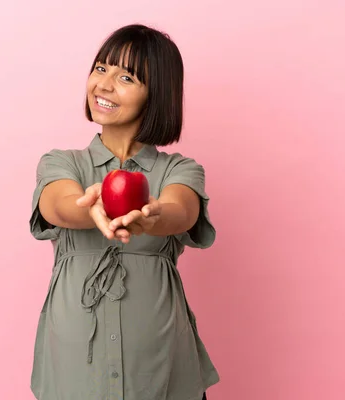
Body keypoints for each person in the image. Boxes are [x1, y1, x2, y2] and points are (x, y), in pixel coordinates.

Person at [29, 23, 218, 400]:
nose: (103, 84)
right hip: (74, 373)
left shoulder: (178, 170)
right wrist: (93, 209)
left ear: (156, 94)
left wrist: (151, 217)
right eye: (100, 69)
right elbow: (59, 205)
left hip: (163, 370)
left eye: (126, 77)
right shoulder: (62, 163)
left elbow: (182, 210)